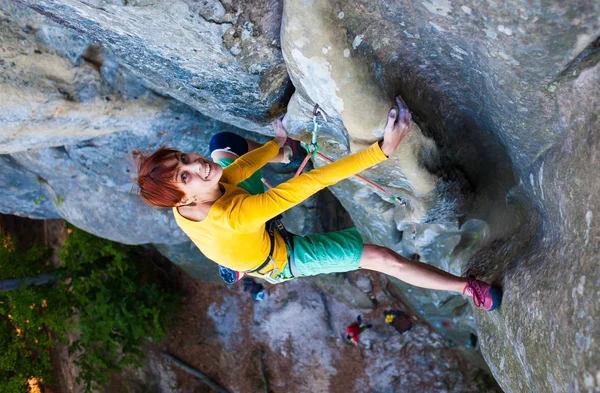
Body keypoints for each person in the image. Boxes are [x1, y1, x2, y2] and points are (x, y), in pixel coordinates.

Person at [135, 96, 502, 311]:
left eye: (183, 158)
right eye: (185, 176)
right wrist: (381, 150)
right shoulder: (235, 215)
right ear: (186, 196)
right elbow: (313, 182)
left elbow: (239, 167)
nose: (196, 165)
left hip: (233, 235)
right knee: (383, 259)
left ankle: (234, 260)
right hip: (280, 256)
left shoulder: (189, 197)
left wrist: (276, 147)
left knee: (221, 142)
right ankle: (466, 288)